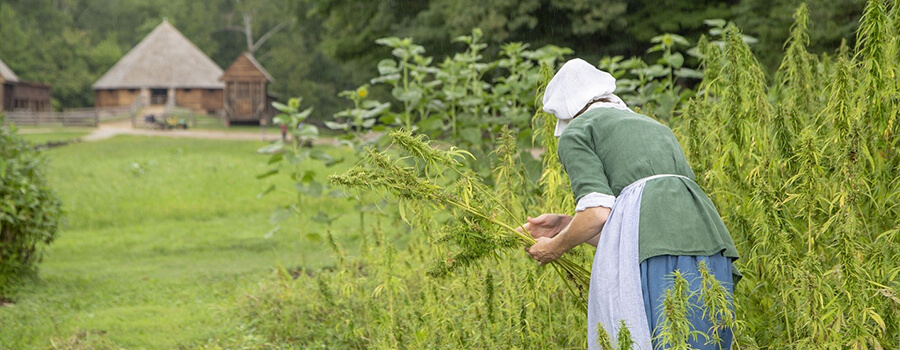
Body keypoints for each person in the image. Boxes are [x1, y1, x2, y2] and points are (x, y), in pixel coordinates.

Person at [522, 59, 739, 350]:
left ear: (564, 113)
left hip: (655, 256)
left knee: (654, 337)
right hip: (708, 238)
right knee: (703, 335)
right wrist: (566, 225)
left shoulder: (578, 131)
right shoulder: (656, 128)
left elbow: (597, 214)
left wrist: (554, 247)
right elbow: (635, 225)